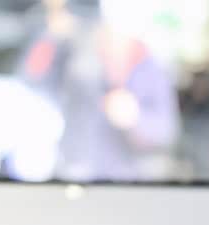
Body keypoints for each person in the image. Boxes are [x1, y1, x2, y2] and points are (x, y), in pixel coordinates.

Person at [20, 0, 179, 182]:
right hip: (71, 172)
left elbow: (165, 131)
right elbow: (33, 79)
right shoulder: (78, 56)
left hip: (122, 180)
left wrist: (134, 118)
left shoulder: (150, 68)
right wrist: (51, 36)